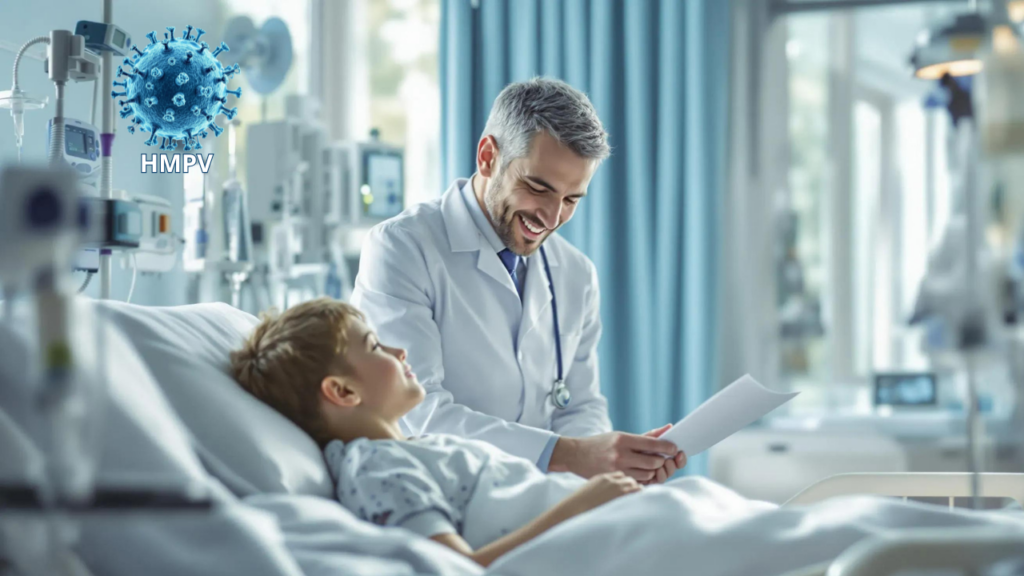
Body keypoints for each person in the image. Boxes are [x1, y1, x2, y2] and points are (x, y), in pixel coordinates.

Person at [351, 77, 684, 483]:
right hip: (448, 491)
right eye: (537, 187)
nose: (551, 216)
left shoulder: (576, 273)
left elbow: (580, 407)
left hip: (548, 500)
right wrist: (572, 455)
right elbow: (416, 414)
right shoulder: (403, 248)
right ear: (488, 156)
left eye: (571, 199)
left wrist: (605, 472)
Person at [230, 298, 648, 567]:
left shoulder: (414, 451)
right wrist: (582, 505)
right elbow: (458, 569)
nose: (400, 351)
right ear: (342, 391)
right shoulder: (376, 468)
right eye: (375, 346)